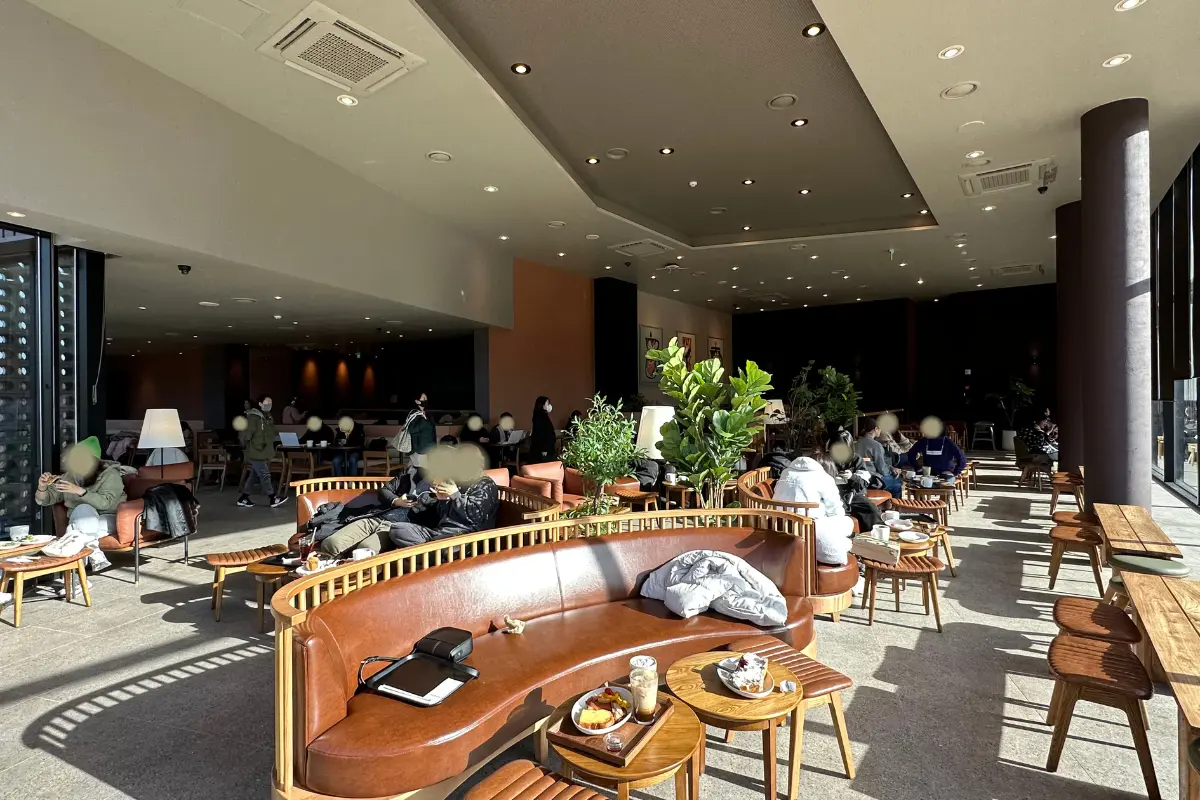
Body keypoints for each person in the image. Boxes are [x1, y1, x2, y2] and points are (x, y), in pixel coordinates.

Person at [34, 436, 126, 579]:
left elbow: (106, 503)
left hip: (108, 518)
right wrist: (42, 487)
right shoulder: (69, 477)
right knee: (80, 523)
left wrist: (79, 491)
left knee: (74, 530)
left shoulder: (110, 475)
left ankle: (73, 579)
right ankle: (94, 554)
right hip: (82, 521)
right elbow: (44, 501)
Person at [387, 445, 499, 548]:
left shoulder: (486, 484)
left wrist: (455, 495)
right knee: (398, 529)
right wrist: (442, 500)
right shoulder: (457, 483)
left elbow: (475, 515)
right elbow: (442, 516)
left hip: (465, 537)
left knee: (447, 544)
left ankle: (425, 555)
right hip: (440, 533)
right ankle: (428, 554)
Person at [315, 469, 432, 556]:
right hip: (376, 517)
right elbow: (384, 490)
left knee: (365, 549)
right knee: (330, 543)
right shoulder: (411, 472)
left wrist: (442, 497)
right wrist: (396, 501)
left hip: (396, 528)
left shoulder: (444, 489)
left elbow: (441, 520)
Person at [773, 455, 854, 565]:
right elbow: (836, 511)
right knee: (847, 523)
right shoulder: (824, 478)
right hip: (808, 526)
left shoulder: (786, 473)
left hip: (781, 524)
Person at [237, 395, 286, 508]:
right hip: (256, 450)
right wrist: (245, 445)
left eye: (271, 401)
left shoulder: (267, 417)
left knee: (254, 475)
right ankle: (272, 497)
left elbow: (271, 431)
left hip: (263, 450)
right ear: (260, 403)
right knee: (265, 475)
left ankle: (243, 497)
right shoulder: (253, 417)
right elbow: (247, 434)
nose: (269, 404)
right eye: (267, 401)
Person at [855, 418, 903, 498]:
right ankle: (894, 507)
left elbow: (866, 460)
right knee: (898, 482)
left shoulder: (857, 443)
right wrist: (892, 471)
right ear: (875, 429)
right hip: (873, 480)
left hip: (858, 478)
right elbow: (883, 470)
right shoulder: (876, 445)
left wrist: (890, 468)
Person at [403, 392, 436, 467]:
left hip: (426, 449)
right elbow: (411, 429)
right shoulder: (414, 414)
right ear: (417, 401)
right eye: (424, 398)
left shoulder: (427, 414)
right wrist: (423, 421)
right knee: (420, 473)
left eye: (426, 398)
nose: (426, 400)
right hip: (419, 449)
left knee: (413, 471)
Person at [529, 396, 556, 463]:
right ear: (542, 405)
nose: (549, 405)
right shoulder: (540, 417)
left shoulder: (542, 416)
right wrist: (544, 449)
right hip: (544, 449)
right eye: (547, 403)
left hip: (546, 447)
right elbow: (541, 434)